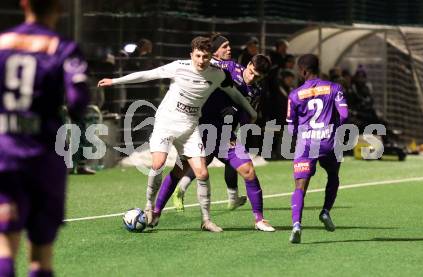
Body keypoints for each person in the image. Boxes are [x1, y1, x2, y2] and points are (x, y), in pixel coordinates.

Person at [98, 36, 257, 233]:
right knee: (158, 163)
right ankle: (149, 206)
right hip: (166, 124)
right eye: (198, 56)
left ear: (210, 57)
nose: (201, 61)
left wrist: (251, 111)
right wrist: (114, 81)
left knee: (202, 173)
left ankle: (206, 221)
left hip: (190, 128)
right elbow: (147, 75)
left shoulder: (217, 74)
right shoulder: (178, 67)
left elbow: (234, 94)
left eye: (205, 57)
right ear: (191, 55)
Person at [0, 0, 90, 276]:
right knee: (40, 252)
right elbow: (78, 101)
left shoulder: (2, 43)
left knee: (5, 244)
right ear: (60, 7)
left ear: (24, 3)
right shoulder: (62, 47)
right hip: (42, 159)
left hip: (5, 155)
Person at [170, 35, 275, 232]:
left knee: (238, 167)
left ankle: (254, 215)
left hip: (227, 131)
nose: (252, 77)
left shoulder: (256, 91)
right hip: (203, 125)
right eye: (251, 71)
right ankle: (156, 208)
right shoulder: (229, 68)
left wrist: (240, 122)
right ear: (249, 64)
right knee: (195, 164)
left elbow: (247, 116)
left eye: (258, 76)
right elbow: (203, 63)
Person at [286, 54, 348, 244]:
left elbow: (290, 127)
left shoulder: (294, 95)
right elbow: (344, 115)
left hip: (306, 144)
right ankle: (325, 211)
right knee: (333, 176)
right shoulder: (335, 88)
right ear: (318, 67)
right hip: (329, 142)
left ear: (302, 70)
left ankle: (296, 225)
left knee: (300, 187)